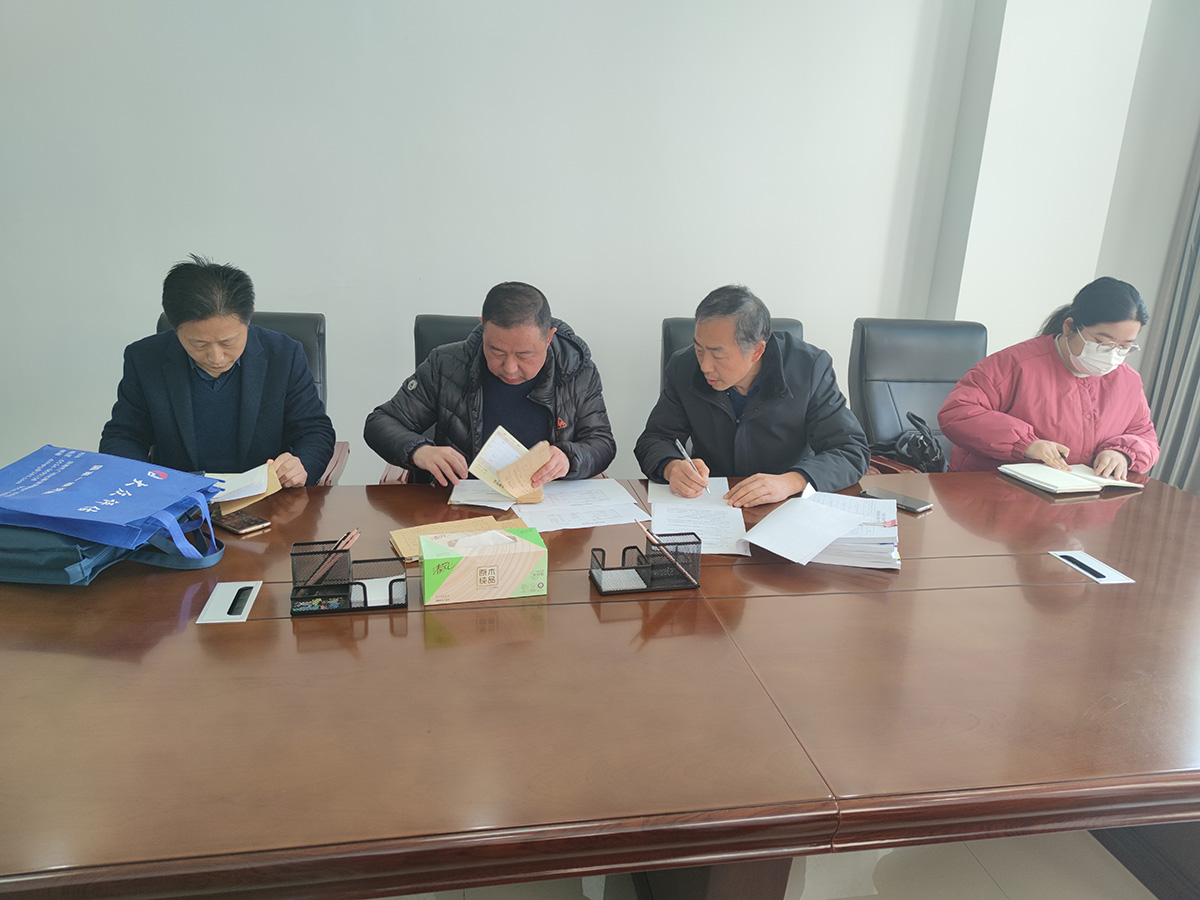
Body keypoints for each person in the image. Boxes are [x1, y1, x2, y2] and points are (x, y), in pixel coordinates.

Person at [100, 255, 336, 486]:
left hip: (266, 498)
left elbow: (314, 431)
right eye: (198, 344)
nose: (216, 358)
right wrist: (141, 481)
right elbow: (123, 436)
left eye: (228, 342)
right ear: (173, 324)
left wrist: (301, 466)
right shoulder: (145, 358)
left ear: (248, 317)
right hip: (178, 498)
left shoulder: (284, 355)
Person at [634, 285, 870, 507]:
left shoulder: (808, 368)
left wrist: (792, 481)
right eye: (699, 349)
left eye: (718, 355)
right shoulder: (683, 367)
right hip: (714, 501)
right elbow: (654, 439)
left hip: (785, 503)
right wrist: (671, 467)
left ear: (757, 351)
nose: (705, 366)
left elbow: (850, 450)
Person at [364, 281, 616, 486]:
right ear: (483, 327)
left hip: (548, 506)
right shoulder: (446, 365)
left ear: (548, 338)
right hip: (462, 507)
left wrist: (569, 458)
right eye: (496, 351)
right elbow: (380, 423)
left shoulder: (576, 371)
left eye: (524, 355)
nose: (510, 367)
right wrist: (419, 451)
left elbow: (601, 442)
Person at [938, 276, 1159, 479]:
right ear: (1070, 327)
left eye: (1124, 347)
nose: (1112, 355)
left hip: (1077, 497)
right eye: (1102, 343)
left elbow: (1143, 434)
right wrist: (1026, 444)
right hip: (991, 489)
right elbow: (958, 412)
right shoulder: (1015, 364)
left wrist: (1123, 453)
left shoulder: (1127, 381)